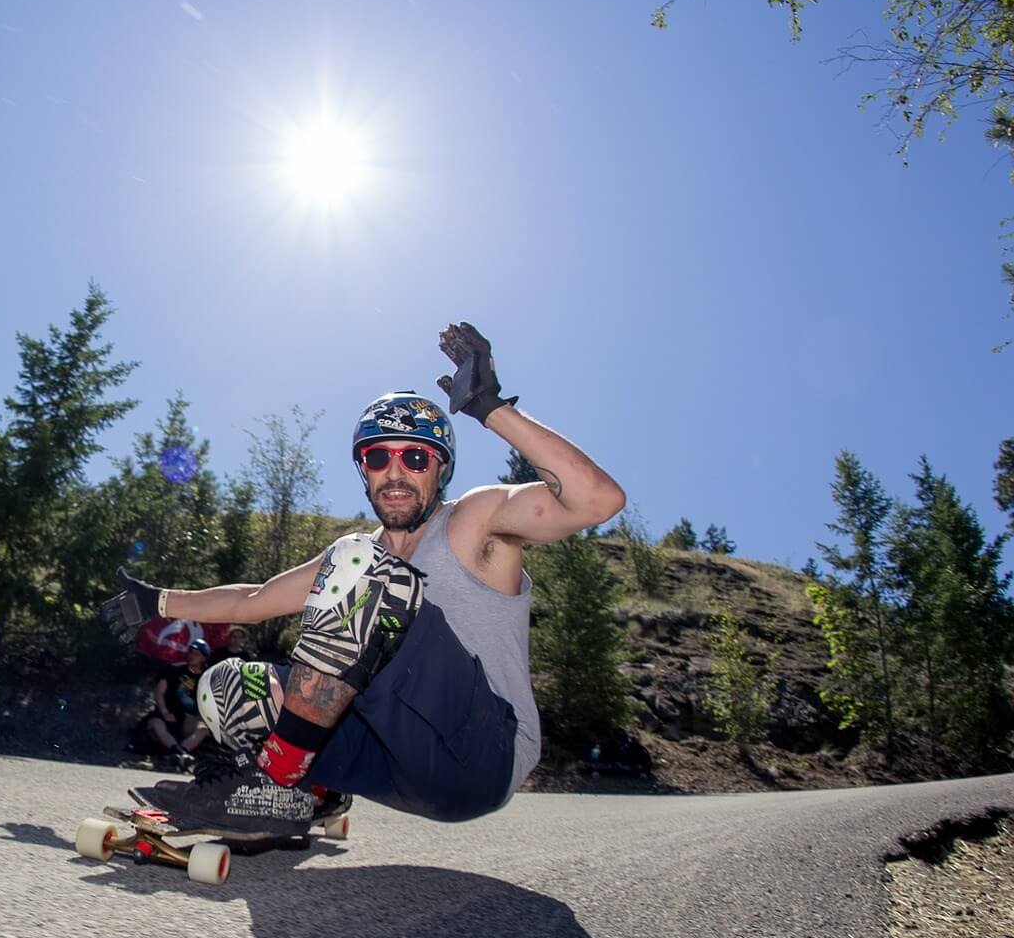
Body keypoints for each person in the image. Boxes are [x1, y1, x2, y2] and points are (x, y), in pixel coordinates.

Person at [102, 322, 625, 829]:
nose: (396, 472)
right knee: (227, 684)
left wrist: (490, 410)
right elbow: (252, 600)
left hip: (481, 755)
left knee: (360, 567)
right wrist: (158, 602)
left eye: (416, 457)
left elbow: (598, 500)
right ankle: (312, 794)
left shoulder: (475, 521)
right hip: (394, 764)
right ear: (364, 470)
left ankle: (274, 782)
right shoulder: (355, 558)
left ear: (441, 470)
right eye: (379, 457)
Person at [142, 638, 214, 770]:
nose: (192, 655)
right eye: (191, 652)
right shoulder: (173, 670)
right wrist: (165, 712)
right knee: (156, 724)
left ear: (203, 658)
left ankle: (179, 754)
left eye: (197, 653)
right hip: (168, 714)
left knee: (203, 729)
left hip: (190, 718)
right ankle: (180, 753)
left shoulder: (207, 678)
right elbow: (159, 692)